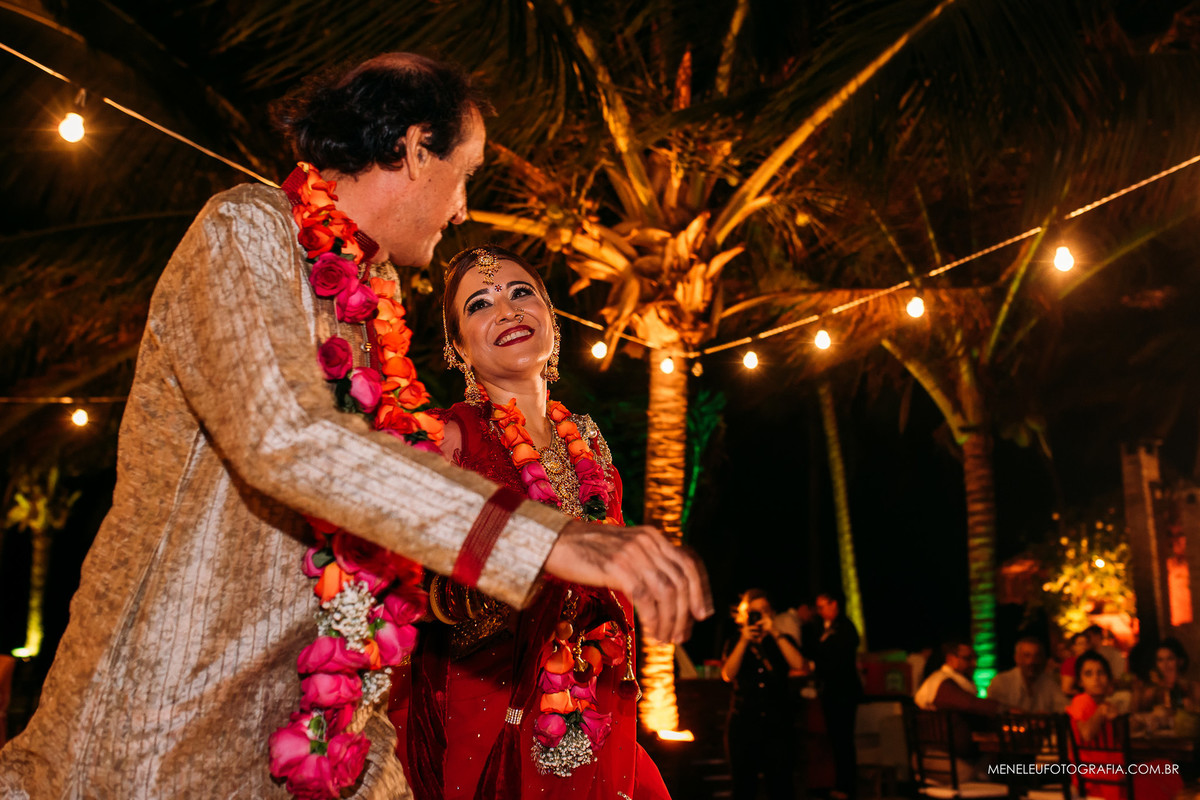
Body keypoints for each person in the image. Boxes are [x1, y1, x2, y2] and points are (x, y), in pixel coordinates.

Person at [0, 54, 711, 799]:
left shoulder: (376, 304)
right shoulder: (247, 229)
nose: (462, 209)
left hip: (333, 733)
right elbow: (287, 436)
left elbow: (377, 532)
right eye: (464, 174)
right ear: (415, 148)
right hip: (171, 723)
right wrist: (550, 541)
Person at [389, 245, 671, 798]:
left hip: (594, 703)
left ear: (551, 317)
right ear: (458, 347)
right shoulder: (450, 440)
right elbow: (410, 587)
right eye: (479, 304)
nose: (507, 310)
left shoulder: (589, 441)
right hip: (485, 708)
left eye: (521, 293)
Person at [720, 588, 805, 800]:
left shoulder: (781, 640)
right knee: (743, 787)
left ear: (771, 613)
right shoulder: (736, 641)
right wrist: (744, 640)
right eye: (753, 612)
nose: (758, 617)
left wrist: (775, 632)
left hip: (778, 724)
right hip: (743, 723)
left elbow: (799, 664)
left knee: (781, 786)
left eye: (763, 611)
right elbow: (728, 674)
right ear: (744, 615)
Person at [1067, 651, 1182, 800]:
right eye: (1088, 674)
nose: (1096, 678)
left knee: (1165, 767)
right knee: (1155, 781)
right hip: (1096, 777)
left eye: (1101, 673)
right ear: (1080, 682)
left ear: (1109, 679)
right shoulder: (1082, 701)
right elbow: (1087, 734)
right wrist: (1100, 712)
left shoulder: (1106, 705)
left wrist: (1119, 719)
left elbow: (1122, 740)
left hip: (1115, 770)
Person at [812, 591, 862, 800]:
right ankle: (839, 783)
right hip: (831, 691)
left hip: (843, 692)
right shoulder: (823, 627)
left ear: (834, 605)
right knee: (836, 740)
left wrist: (816, 666)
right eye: (818, 607)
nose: (820, 611)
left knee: (843, 739)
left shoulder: (845, 628)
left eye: (823, 606)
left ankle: (846, 786)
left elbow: (839, 659)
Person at [986, 636, 1067, 712]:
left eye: (1037, 656)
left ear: (1043, 659)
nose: (1032, 661)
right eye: (1027, 656)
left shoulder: (1049, 682)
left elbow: (1064, 707)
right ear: (1017, 658)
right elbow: (993, 709)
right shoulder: (1001, 682)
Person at [1135, 637, 1200, 712]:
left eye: (1170, 659)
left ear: (1180, 661)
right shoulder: (1153, 691)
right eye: (1160, 660)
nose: (1165, 665)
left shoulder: (1193, 688)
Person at [1060, 631, 1089, 696]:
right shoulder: (1071, 663)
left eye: (1086, 643)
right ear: (1073, 647)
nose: (1084, 646)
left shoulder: (1090, 661)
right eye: (1080, 644)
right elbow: (1066, 689)